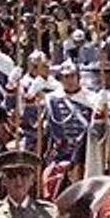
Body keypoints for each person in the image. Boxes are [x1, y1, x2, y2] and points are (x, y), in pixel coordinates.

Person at [42, 59, 98, 198]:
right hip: (61, 155)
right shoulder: (52, 100)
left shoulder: (92, 99)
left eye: (72, 76)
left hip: (86, 154)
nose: (69, 80)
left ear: (78, 77)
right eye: (65, 77)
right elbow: (46, 131)